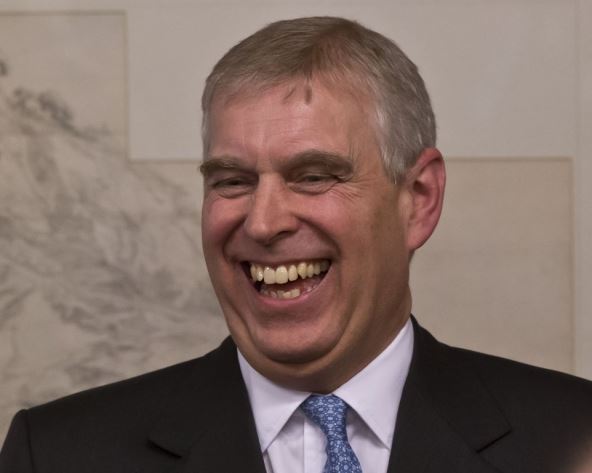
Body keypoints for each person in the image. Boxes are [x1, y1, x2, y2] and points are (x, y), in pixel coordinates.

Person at [1, 16, 591, 473]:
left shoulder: (573, 436)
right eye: (232, 181)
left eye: (313, 176)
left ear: (418, 199)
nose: (262, 223)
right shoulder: (54, 456)